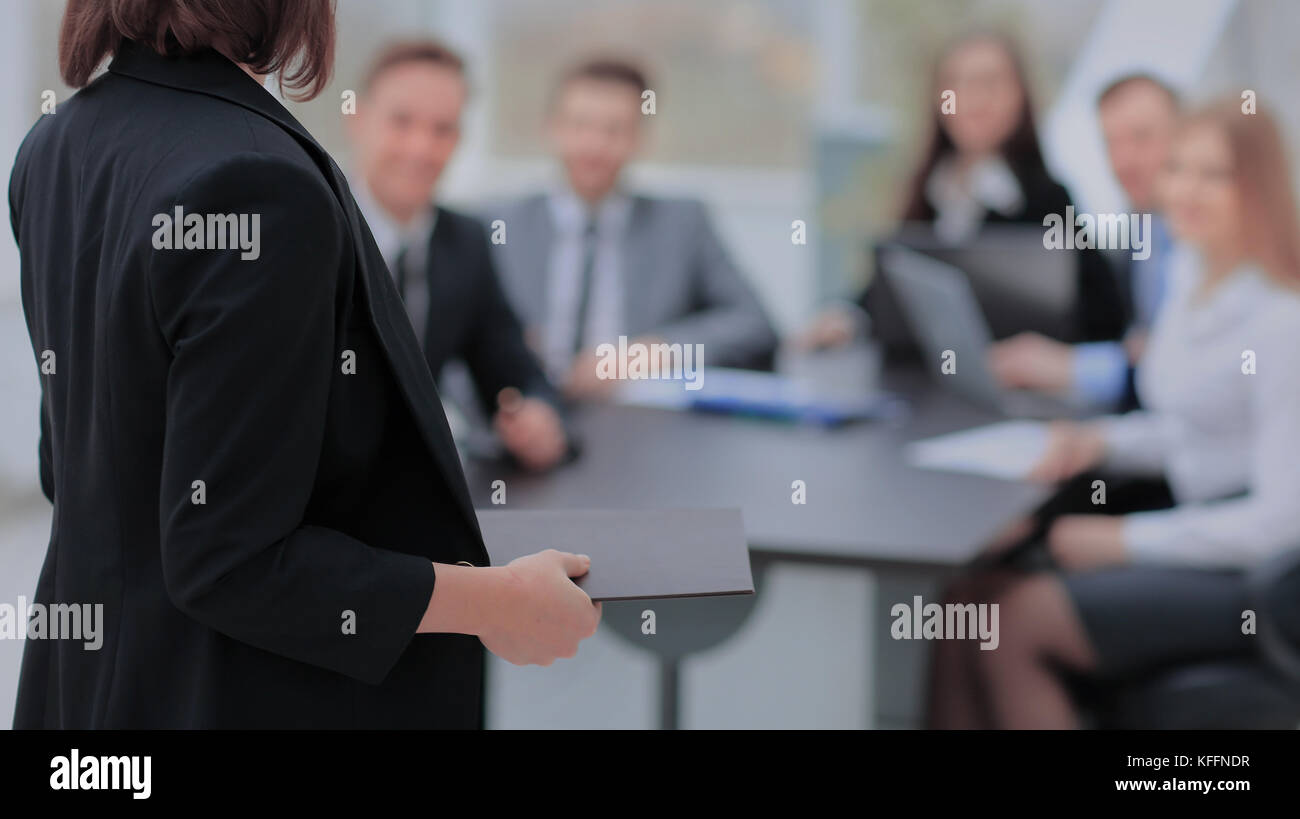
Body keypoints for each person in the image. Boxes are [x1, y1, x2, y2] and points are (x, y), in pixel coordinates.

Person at [12, 0, 599, 729]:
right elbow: (230, 559)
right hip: (223, 690)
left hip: (86, 685)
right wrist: (497, 602)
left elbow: (67, 462)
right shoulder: (258, 181)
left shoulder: (54, 145)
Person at [926, 101, 1300, 729]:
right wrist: (1097, 442)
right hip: (1206, 536)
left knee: (1012, 625)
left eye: (1215, 175)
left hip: (1252, 576)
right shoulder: (1193, 284)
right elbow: (1193, 432)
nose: (1187, 190)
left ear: (1257, 189)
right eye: (1179, 169)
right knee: (964, 607)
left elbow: (1278, 522)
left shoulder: (1280, 323)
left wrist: (1120, 542)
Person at [800, 31, 1124, 351]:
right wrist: (848, 316)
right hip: (919, 381)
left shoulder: (1047, 199)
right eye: (956, 84)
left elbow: (1104, 316)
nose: (972, 99)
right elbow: (890, 288)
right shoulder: (929, 190)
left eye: (990, 82)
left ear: (1019, 96)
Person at [487, 57, 779, 400]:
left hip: (641, 422)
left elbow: (755, 325)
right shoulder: (496, 226)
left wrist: (649, 354)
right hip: (524, 417)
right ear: (551, 128)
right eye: (580, 124)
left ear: (641, 138)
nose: (594, 145)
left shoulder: (683, 224)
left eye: (614, 130)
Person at [347, 39, 569, 472]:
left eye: (442, 129)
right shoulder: (311, 233)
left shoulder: (463, 241)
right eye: (401, 122)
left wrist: (537, 414)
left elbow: (509, 367)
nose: (421, 149)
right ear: (355, 117)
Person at [989, 74, 1181, 410]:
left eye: (1142, 137)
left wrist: (1071, 367)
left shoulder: (1208, 242)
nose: (1123, 162)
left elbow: (1182, 367)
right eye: (1111, 143)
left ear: (1185, 138)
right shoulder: (1142, 228)